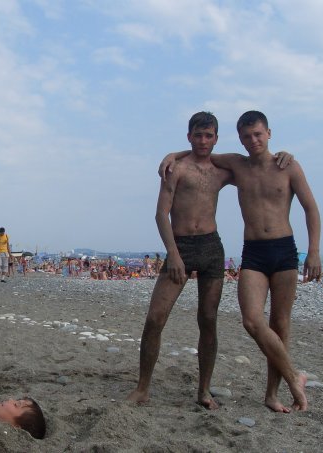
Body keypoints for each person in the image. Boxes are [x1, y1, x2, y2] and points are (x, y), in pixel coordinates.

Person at [128, 111, 293, 409]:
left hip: (211, 248)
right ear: (189, 136)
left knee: (208, 319)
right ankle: (142, 388)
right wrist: (173, 254)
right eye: (198, 135)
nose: (203, 141)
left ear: (216, 138)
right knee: (155, 318)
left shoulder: (222, 171)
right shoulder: (176, 168)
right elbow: (161, 214)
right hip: (180, 246)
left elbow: (258, 168)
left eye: (208, 136)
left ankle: (204, 390)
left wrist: (284, 155)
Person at [159, 110, 319, 412]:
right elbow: (201, 152)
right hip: (254, 253)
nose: (253, 140)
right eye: (247, 136)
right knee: (252, 321)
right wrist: (172, 154)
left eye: (258, 134)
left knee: (280, 324)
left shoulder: (288, 166)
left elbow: (311, 208)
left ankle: (272, 394)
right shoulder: (236, 164)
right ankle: (294, 375)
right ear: (240, 140)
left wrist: (314, 251)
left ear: (269, 133)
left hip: (284, 249)